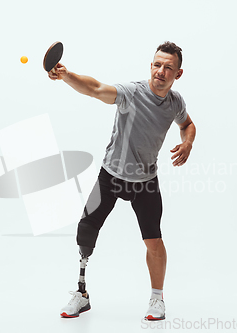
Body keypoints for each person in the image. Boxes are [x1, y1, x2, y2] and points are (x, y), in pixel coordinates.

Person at [47, 41, 196, 320]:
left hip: (146, 181)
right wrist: (67, 75)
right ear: (150, 65)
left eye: (168, 67)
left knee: (154, 240)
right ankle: (81, 293)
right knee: (86, 230)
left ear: (178, 73)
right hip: (111, 176)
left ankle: (157, 299)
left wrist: (187, 142)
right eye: (157, 64)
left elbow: (187, 124)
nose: (161, 71)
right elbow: (95, 88)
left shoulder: (175, 102)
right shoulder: (132, 93)